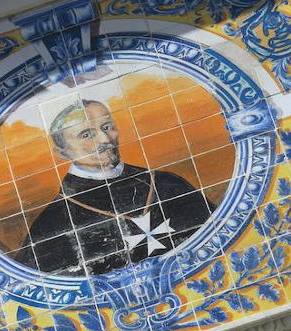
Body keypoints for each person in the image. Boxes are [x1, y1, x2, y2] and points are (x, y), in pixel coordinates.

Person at [15, 99, 212, 276]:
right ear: (62, 152)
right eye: (86, 134)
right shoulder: (53, 222)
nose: (105, 140)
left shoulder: (166, 183)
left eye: (107, 127)